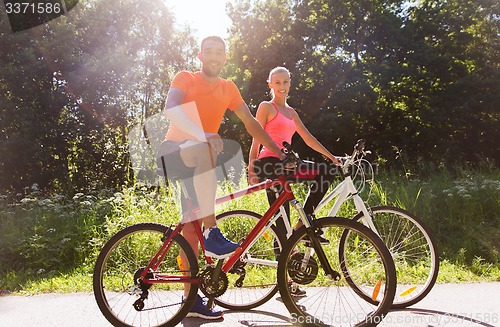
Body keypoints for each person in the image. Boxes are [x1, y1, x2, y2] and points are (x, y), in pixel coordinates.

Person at [157, 36, 285, 319]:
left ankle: (190, 299)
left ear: (225, 57)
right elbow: (171, 108)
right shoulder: (186, 78)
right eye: (209, 52)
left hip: (198, 155)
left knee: (190, 229)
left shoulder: (228, 88)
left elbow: (251, 122)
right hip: (174, 152)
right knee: (206, 146)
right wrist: (203, 134)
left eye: (220, 52)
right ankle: (213, 232)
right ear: (200, 55)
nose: (214, 57)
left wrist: (278, 151)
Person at [248, 66, 342, 248]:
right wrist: (252, 165)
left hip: (288, 162)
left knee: (326, 172)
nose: (282, 86)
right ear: (270, 84)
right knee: (281, 220)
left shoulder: (292, 113)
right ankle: (282, 268)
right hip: (269, 163)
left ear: (290, 83)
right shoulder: (266, 107)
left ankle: (303, 224)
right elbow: (256, 136)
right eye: (277, 82)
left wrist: (331, 157)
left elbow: (308, 138)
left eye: (285, 81)